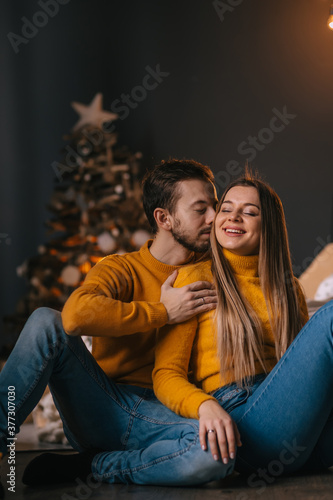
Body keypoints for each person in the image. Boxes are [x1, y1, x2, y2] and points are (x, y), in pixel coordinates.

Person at [0, 158, 234, 494]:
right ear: (164, 218)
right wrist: (163, 312)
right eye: (201, 209)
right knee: (45, 321)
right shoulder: (121, 268)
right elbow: (75, 316)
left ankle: (95, 466)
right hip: (104, 407)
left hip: (166, 414)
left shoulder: (215, 272)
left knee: (215, 455)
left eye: (214, 206)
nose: (214, 218)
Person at [152, 170, 333, 481]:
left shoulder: (288, 288)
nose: (233, 217)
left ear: (268, 227)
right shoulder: (195, 278)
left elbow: (303, 375)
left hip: (301, 438)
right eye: (226, 208)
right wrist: (204, 406)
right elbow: (165, 374)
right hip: (241, 426)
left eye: (249, 212)